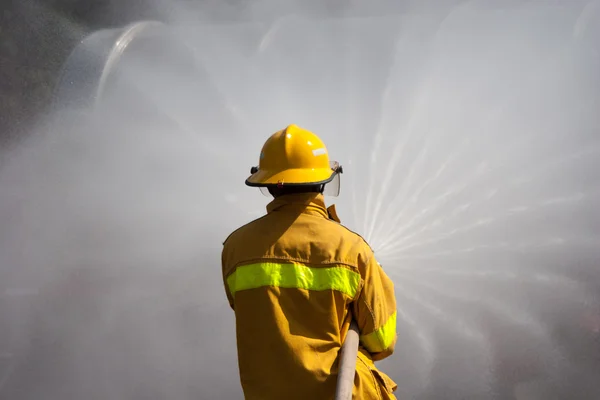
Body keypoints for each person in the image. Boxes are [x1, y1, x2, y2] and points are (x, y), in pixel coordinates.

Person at [221, 124, 398, 399]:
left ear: (268, 185)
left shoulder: (235, 248)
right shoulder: (351, 249)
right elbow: (382, 342)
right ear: (322, 181)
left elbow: (258, 317)